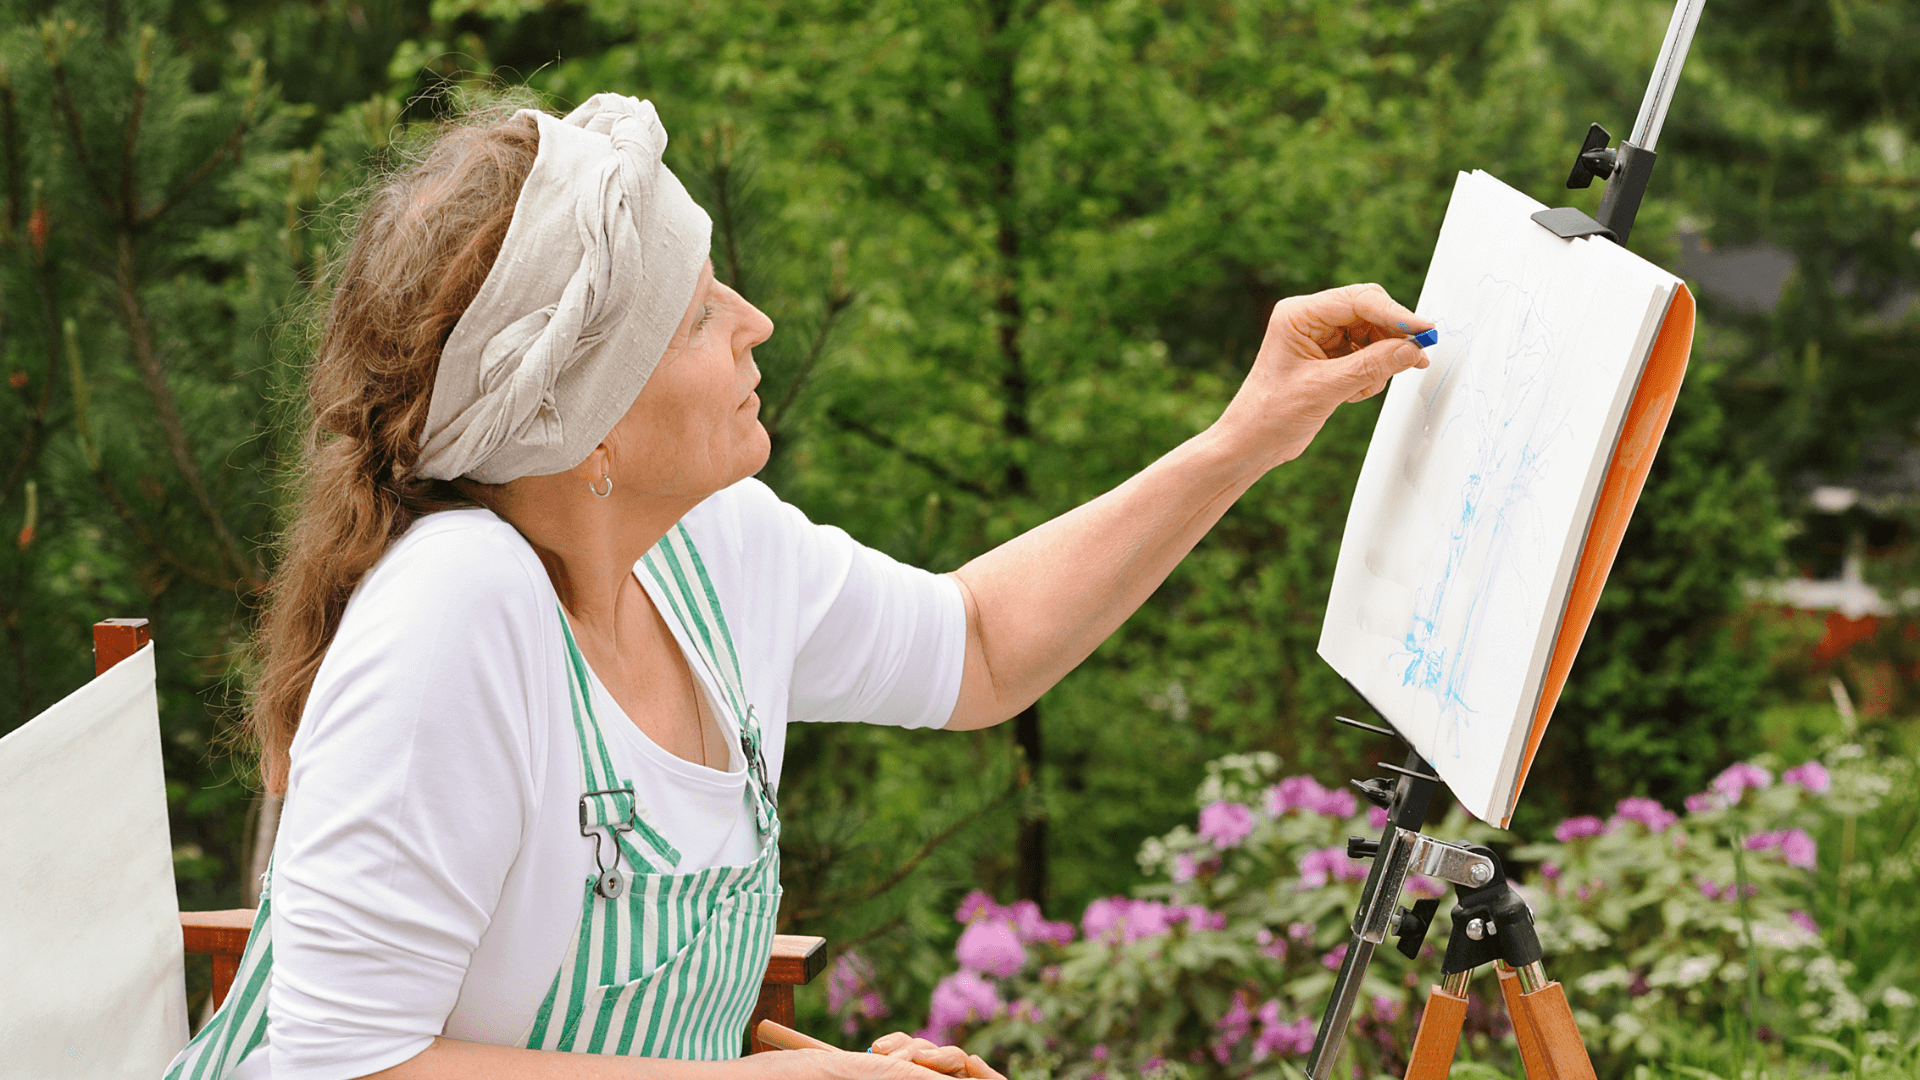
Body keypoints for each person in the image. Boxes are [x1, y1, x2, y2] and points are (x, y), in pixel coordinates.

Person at [162, 94, 1431, 1080]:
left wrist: (1243, 439)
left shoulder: (711, 549)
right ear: (586, 422)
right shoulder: (456, 612)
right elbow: (339, 1064)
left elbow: (981, 647)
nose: (755, 321)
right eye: (697, 312)